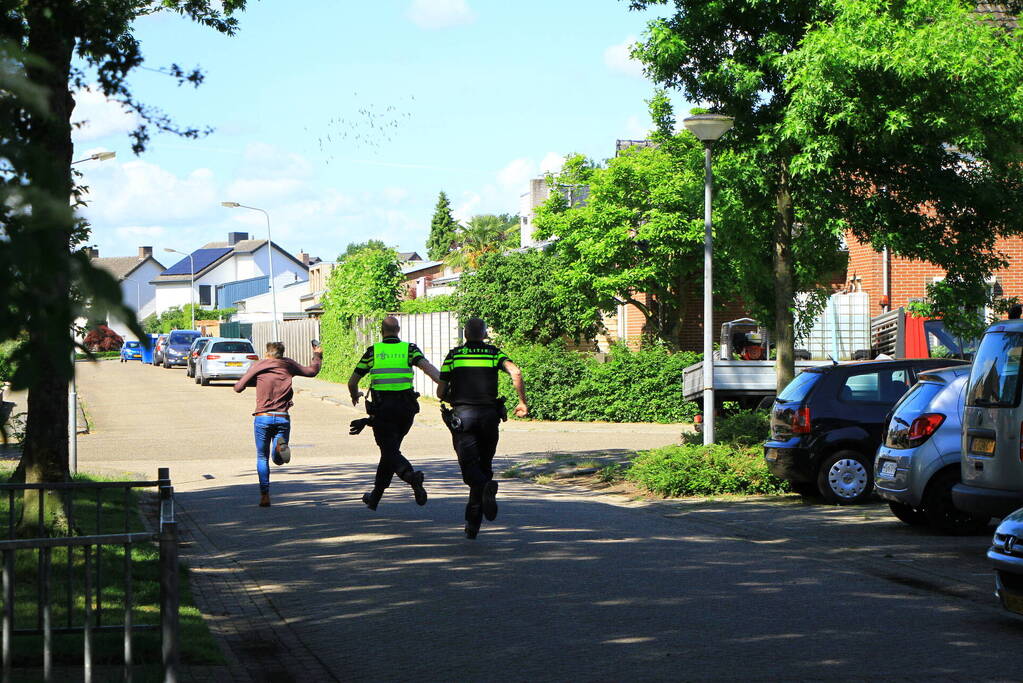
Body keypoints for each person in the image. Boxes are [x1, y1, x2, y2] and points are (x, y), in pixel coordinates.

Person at [437, 318, 528, 539]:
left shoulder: (454, 355)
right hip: (489, 417)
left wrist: (452, 397)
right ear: (485, 334)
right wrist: (522, 402)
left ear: (465, 334)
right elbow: (515, 372)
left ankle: (485, 491)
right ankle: (473, 524)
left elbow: (440, 392)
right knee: (484, 466)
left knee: (471, 470)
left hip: (464, 418)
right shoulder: (493, 353)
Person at [348, 316, 439, 510]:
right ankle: (375, 497)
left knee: (390, 452)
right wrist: (446, 386)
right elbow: (429, 369)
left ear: (382, 331)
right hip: (406, 410)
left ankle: (411, 477)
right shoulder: (409, 349)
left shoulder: (373, 351)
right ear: (398, 330)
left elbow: (352, 381)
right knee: (390, 452)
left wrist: (355, 395)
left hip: (383, 410)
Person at [234, 341, 322, 508]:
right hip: (282, 417)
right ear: (282, 353)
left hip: (263, 417)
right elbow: (312, 371)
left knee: (262, 456)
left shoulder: (258, 365)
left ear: (267, 353)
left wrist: (252, 381)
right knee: (278, 459)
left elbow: (238, 387)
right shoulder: (288, 364)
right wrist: (317, 355)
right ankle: (279, 450)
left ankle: (265, 495)